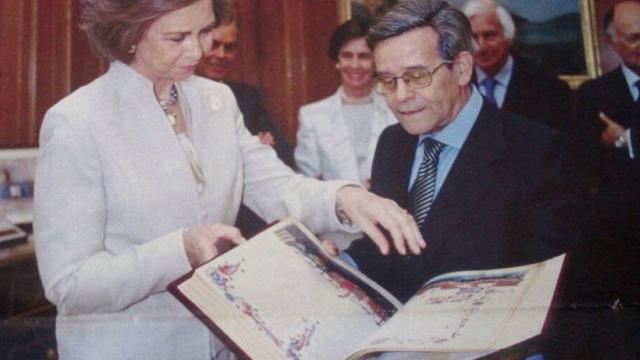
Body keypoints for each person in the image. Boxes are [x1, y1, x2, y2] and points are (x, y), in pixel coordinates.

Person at [33, 1, 425, 358]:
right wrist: (182, 249)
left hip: (222, 344)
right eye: (177, 37)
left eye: (205, 31)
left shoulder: (215, 101)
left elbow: (276, 186)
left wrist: (347, 199)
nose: (199, 51)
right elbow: (69, 284)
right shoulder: (78, 122)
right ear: (128, 34)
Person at [337, 0, 590, 356]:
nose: (401, 97)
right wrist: (336, 266)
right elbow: (389, 248)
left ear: (462, 68)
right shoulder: (393, 143)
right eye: (388, 81)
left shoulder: (538, 152)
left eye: (417, 76)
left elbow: (544, 298)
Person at [573, 2, 640, 356]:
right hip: (619, 246)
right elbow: (585, 167)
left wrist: (624, 139)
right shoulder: (592, 96)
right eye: (634, 38)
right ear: (613, 43)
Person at [197, 0, 293, 236]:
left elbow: (283, 153)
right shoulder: (171, 95)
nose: (221, 55)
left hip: (246, 222)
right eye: (214, 45)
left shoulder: (246, 96)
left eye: (229, 48)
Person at [294, 18, 397, 190]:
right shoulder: (312, 116)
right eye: (347, 56)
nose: (355, 65)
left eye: (364, 56)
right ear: (337, 60)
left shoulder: (396, 110)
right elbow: (306, 182)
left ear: (376, 62)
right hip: (334, 213)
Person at [461, 0, 572, 131]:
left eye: (489, 35)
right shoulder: (456, 85)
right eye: (473, 37)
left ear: (508, 36)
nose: (481, 47)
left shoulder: (547, 86)